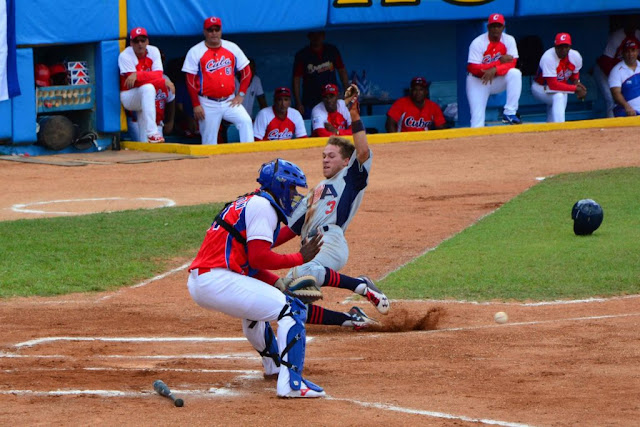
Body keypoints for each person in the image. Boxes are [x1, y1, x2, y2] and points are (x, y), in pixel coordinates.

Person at [187, 158, 326, 398]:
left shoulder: (252, 203)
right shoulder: (263, 207)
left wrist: (276, 282)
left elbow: (251, 257)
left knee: (257, 313)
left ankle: (273, 366)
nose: (293, 194)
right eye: (292, 188)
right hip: (218, 279)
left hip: (207, 280)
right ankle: (292, 384)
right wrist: (299, 258)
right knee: (291, 310)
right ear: (280, 184)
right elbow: (259, 257)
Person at [273, 88, 390, 330]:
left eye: (332, 156)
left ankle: (361, 285)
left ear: (346, 161)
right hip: (311, 247)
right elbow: (292, 230)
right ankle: (349, 319)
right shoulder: (315, 191)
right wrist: (261, 246)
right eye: (323, 155)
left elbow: (364, 151)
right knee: (284, 297)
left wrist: (354, 113)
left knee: (307, 274)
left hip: (331, 240)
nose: (325, 159)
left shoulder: (350, 177)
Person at [182, 16, 254, 144]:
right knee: (209, 140)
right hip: (207, 103)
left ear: (221, 31)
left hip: (229, 100)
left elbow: (246, 71)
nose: (214, 33)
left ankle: (249, 156)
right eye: (210, 30)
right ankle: (210, 164)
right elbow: (190, 80)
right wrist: (196, 104)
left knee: (245, 121)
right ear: (205, 32)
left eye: (217, 29)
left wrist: (241, 94)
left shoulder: (232, 47)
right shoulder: (195, 51)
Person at [118, 27, 173, 143]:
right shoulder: (125, 55)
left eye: (143, 40)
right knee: (148, 88)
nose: (140, 44)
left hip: (145, 98)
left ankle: (149, 139)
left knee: (144, 141)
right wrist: (162, 81)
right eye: (136, 41)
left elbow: (158, 74)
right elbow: (133, 83)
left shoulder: (154, 51)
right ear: (131, 43)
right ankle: (152, 133)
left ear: (147, 41)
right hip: (129, 95)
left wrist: (138, 75)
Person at [466, 13, 522, 127]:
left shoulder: (509, 40)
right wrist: (498, 63)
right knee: (477, 120)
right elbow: (473, 68)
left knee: (515, 74)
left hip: (497, 80)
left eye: (498, 26)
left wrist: (495, 69)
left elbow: (513, 63)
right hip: (478, 81)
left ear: (503, 27)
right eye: (493, 26)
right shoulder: (478, 42)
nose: (496, 29)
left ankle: (510, 113)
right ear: (488, 27)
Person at [531, 33, 587, 123]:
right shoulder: (548, 57)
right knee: (559, 96)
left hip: (558, 88)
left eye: (566, 46)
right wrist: (576, 89)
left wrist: (577, 82)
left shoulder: (575, 56)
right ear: (555, 46)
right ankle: (560, 127)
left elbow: (574, 74)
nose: (563, 49)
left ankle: (553, 126)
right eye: (560, 46)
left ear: (570, 47)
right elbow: (553, 85)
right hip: (540, 88)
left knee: (560, 95)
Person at [293, 31, 349, 119]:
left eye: (319, 34)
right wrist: (298, 102)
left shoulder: (332, 50)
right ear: (309, 37)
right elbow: (296, 79)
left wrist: (347, 92)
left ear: (323, 36)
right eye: (313, 35)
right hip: (310, 100)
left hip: (331, 98)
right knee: (312, 125)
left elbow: (342, 71)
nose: (316, 38)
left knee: (334, 124)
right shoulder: (302, 55)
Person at [593, 15, 640, 118]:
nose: (632, 25)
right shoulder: (617, 37)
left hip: (625, 70)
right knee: (611, 99)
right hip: (605, 71)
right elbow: (606, 62)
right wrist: (619, 80)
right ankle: (611, 126)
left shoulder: (638, 35)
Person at [609, 38, 640, 117]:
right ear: (623, 53)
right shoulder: (616, 70)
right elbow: (616, 93)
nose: (630, 54)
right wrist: (627, 107)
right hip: (626, 111)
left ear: (638, 51)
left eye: (633, 50)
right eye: (627, 51)